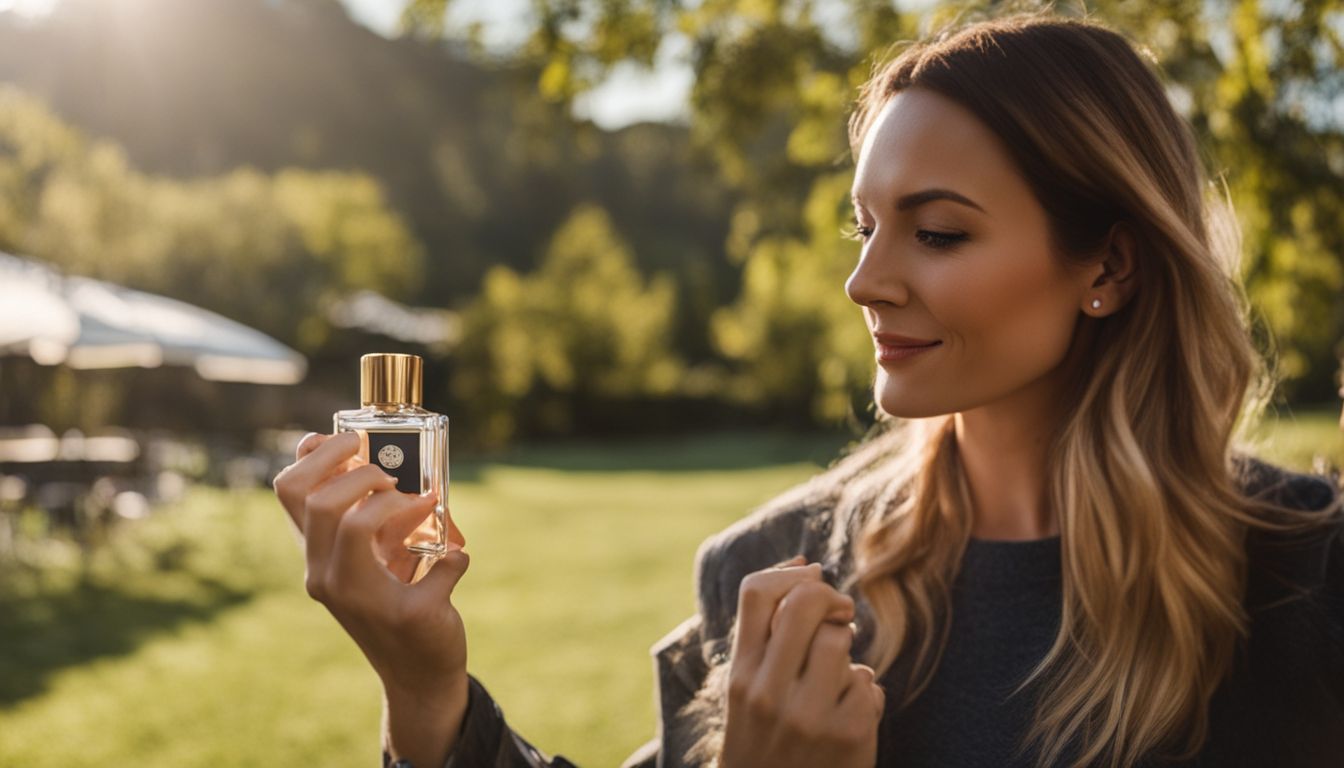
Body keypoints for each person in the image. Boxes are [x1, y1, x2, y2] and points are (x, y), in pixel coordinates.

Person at [271, 12, 1344, 768]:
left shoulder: (1312, 582)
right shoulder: (771, 579)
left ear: (1107, 267)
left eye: (936, 232)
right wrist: (424, 691)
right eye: (865, 227)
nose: (863, 281)